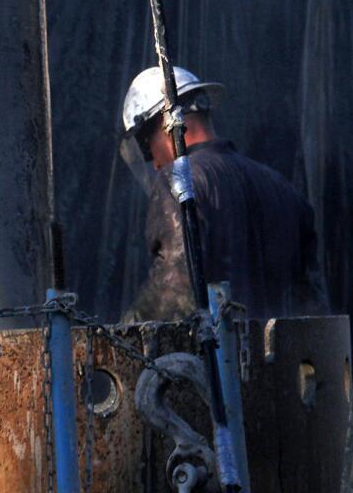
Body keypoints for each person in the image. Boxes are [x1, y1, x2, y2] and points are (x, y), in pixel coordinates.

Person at [118, 66, 330, 322]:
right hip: (281, 359)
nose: (154, 165)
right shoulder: (285, 191)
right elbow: (311, 304)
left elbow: (176, 285)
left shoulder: (178, 180)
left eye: (149, 149)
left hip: (216, 358)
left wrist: (126, 332)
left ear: (167, 124)